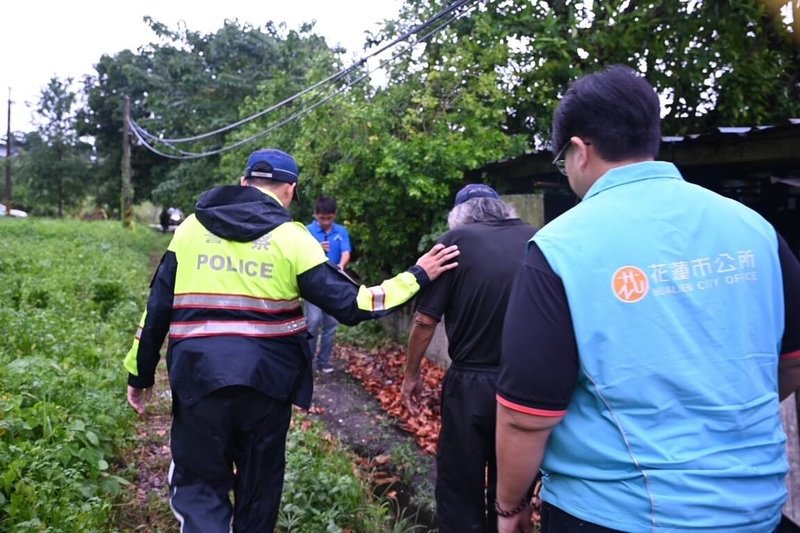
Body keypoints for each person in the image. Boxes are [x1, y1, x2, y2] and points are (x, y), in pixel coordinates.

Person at [495, 65, 800, 533]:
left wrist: (509, 506)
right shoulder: (755, 230)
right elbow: (791, 362)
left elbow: (525, 418)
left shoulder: (560, 248)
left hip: (616, 514)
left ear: (579, 150)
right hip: (756, 510)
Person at [123, 147, 460, 533]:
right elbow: (354, 304)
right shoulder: (292, 238)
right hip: (268, 387)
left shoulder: (189, 230)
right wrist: (418, 275)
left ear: (243, 182)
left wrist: (140, 374)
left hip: (199, 381)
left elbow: (156, 310)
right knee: (259, 487)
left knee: (199, 486)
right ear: (290, 190)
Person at [401, 183, 536, 533]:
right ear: (501, 209)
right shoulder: (536, 238)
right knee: (514, 492)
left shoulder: (454, 242)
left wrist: (411, 375)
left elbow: (424, 321)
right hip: (526, 384)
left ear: (458, 217)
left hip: (470, 386)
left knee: (461, 484)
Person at [305, 196, 351, 373]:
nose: (325, 222)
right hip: (314, 282)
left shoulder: (341, 231)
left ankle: (323, 361)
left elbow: (346, 251)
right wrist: (316, 248)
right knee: (314, 321)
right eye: (322, 218)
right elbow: (301, 254)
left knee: (331, 323)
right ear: (315, 215)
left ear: (334, 216)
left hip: (334, 282)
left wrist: (341, 265)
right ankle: (307, 361)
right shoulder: (307, 231)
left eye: (329, 218)